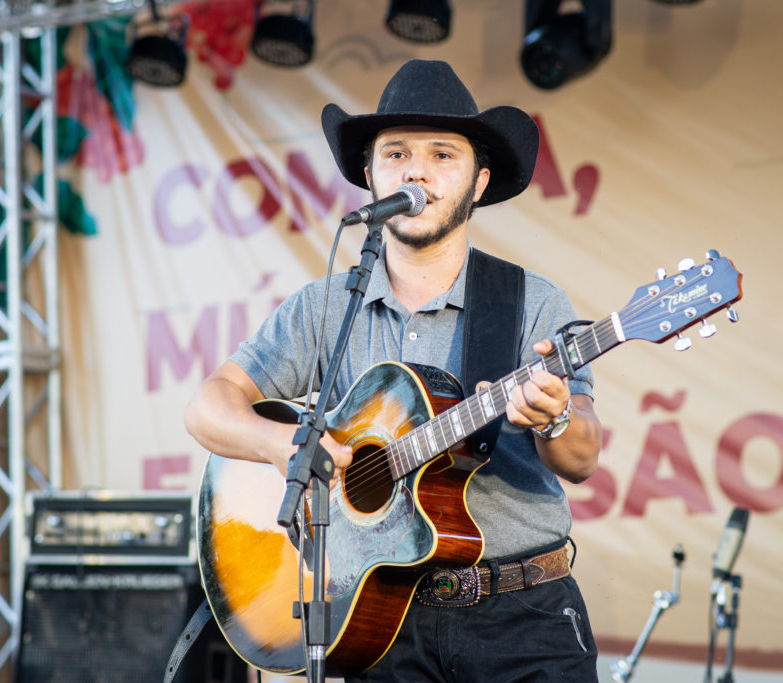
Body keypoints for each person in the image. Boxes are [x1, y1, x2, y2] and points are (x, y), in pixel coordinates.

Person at [184, 59, 603, 682]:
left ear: (479, 182)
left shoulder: (532, 302)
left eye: (442, 155)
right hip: (377, 622)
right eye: (397, 154)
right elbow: (208, 407)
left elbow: (582, 457)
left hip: (522, 620)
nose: (416, 170)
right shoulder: (326, 307)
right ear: (370, 176)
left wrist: (558, 416)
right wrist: (285, 444)